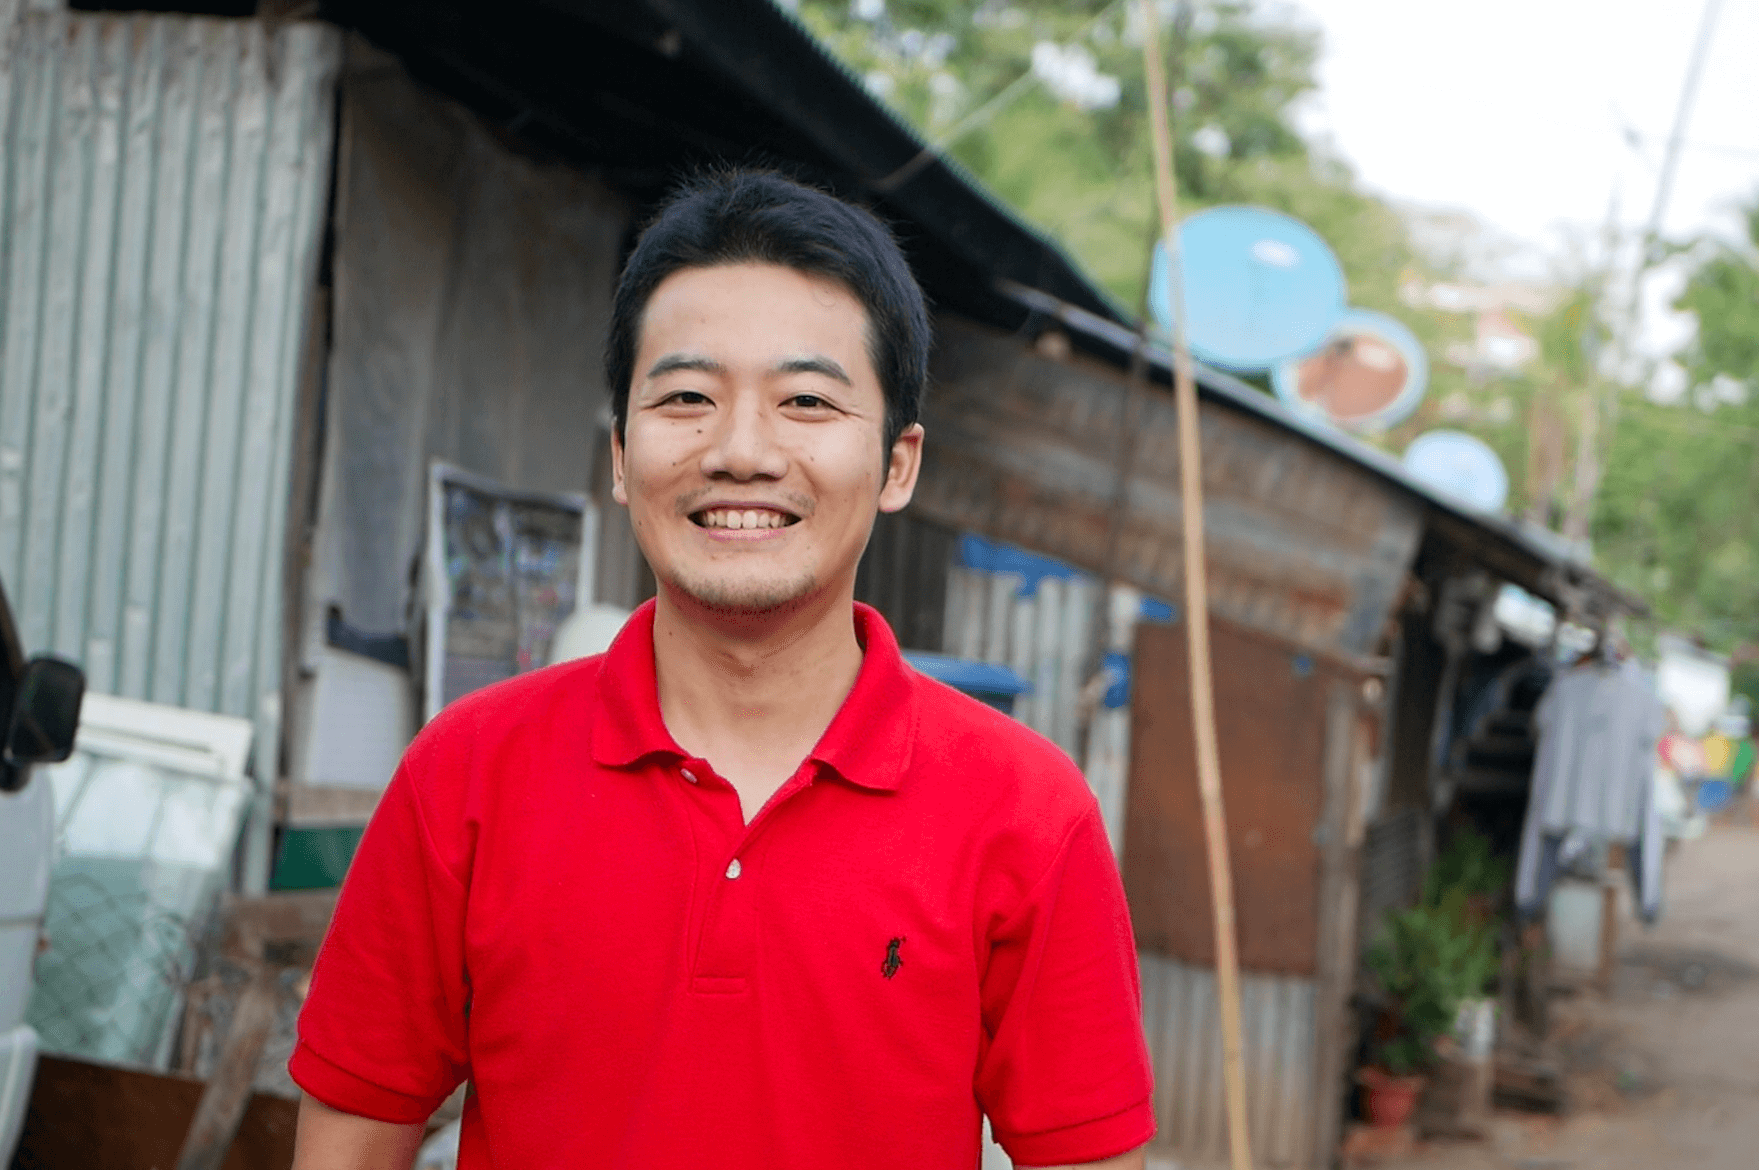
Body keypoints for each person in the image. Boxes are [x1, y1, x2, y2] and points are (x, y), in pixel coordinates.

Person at [289, 172, 1154, 1169]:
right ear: (622, 454)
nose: (741, 452)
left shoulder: (1027, 813)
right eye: (687, 398)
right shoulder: (468, 773)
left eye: (805, 401)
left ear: (898, 463)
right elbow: (352, 1134)